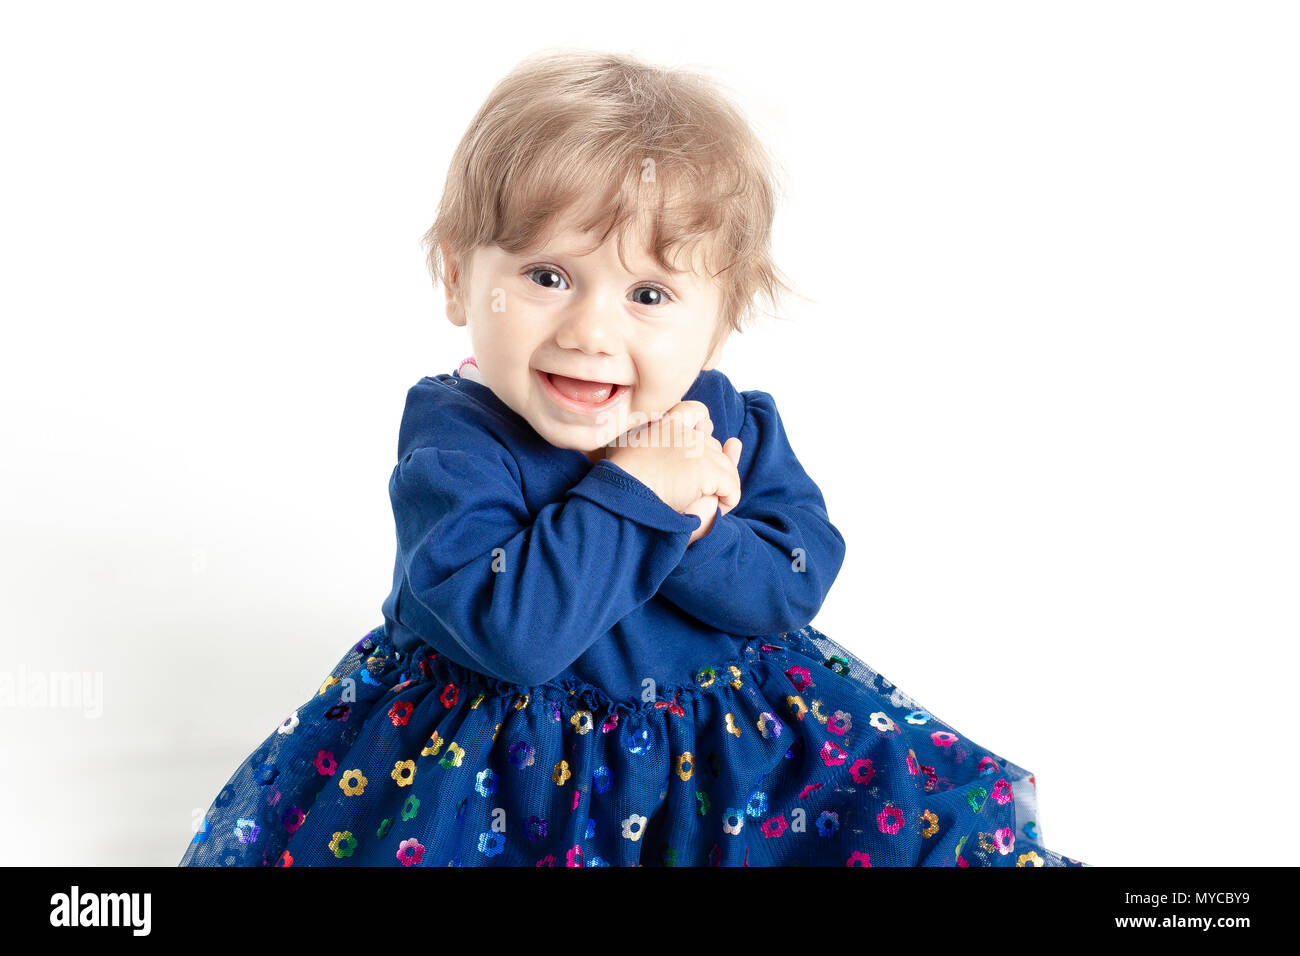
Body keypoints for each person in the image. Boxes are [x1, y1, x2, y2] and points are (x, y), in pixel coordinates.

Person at [181, 50, 1084, 867]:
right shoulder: (456, 441)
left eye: (649, 293)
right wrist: (643, 491)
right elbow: (512, 633)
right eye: (547, 277)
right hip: (500, 777)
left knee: (903, 816)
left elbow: (790, 585)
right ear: (459, 279)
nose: (590, 331)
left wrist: (697, 529)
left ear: (720, 324)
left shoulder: (726, 421)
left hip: (718, 756)